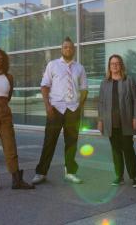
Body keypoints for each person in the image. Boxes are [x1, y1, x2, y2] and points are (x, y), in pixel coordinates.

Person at [32, 37, 88, 185]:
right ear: (61, 49)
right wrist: (47, 107)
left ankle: (70, 172)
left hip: (72, 109)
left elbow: (84, 90)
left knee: (71, 143)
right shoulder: (53, 65)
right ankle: (41, 173)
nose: (68, 49)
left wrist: (79, 107)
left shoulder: (79, 68)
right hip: (55, 109)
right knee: (49, 142)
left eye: (70, 47)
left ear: (74, 50)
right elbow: (44, 86)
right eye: (65, 47)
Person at [0, 47, 34, 191]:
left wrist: (1, 106)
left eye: (1, 57)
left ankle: (17, 180)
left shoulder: (9, 77)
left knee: (10, 146)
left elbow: (8, 96)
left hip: (4, 112)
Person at [97, 54, 136, 188]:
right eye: (112, 64)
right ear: (109, 67)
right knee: (115, 150)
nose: (114, 66)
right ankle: (119, 176)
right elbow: (101, 103)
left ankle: (135, 177)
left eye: (117, 63)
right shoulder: (104, 83)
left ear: (121, 65)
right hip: (111, 122)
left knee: (128, 149)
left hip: (127, 121)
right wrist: (100, 120)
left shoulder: (129, 80)